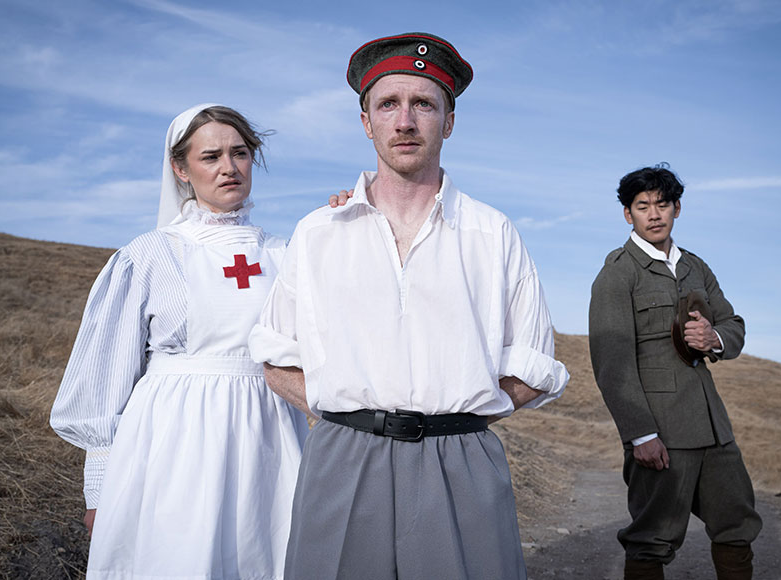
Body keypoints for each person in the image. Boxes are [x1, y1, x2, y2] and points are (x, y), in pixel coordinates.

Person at [248, 32, 569, 580]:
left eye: (423, 104)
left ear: (448, 121)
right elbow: (274, 353)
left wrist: (462, 414)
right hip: (343, 458)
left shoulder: (491, 233)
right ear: (366, 121)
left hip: (460, 460)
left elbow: (536, 364)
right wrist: (337, 409)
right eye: (388, 104)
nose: (405, 121)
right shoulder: (319, 231)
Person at [51, 104, 346, 579]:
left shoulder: (287, 254)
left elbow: (340, 329)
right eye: (211, 156)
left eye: (241, 153)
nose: (229, 167)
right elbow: (103, 383)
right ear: (180, 169)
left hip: (269, 443)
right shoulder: (146, 256)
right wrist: (99, 492)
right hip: (173, 444)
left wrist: (352, 230)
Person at [588, 164, 762, 580]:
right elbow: (611, 363)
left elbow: (733, 325)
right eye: (642, 206)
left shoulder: (695, 267)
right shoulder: (617, 273)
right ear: (627, 214)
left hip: (713, 427)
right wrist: (640, 434)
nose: (653, 214)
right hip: (661, 431)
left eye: (662, 205)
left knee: (737, 526)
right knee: (653, 537)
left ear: (677, 209)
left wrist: (714, 338)